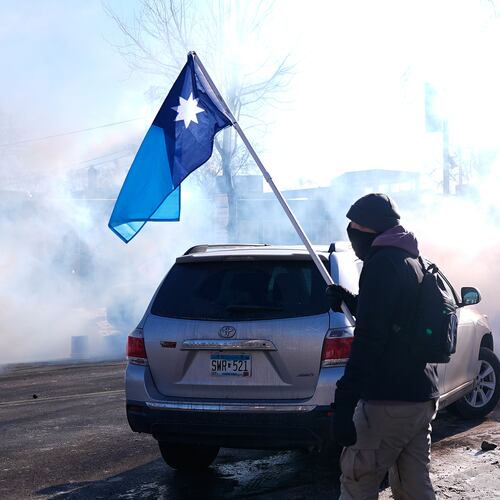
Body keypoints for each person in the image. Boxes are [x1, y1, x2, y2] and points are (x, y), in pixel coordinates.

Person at [326, 193, 439, 500]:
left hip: (388, 401)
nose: (351, 233)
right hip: (420, 395)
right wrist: (350, 300)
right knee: (414, 487)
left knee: (357, 482)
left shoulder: (380, 265)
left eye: (355, 227)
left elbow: (370, 339)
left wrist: (344, 401)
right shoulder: (412, 259)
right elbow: (394, 316)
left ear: (371, 229)